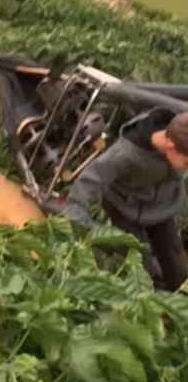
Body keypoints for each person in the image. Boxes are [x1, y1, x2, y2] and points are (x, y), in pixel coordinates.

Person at [63, 107, 188, 290]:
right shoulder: (125, 154)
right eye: (186, 162)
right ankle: (151, 303)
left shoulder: (180, 131)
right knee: (140, 263)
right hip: (126, 208)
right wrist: (80, 221)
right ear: (170, 146)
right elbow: (88, 180)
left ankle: (181, 302)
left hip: (160, 205)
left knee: (175, 259)